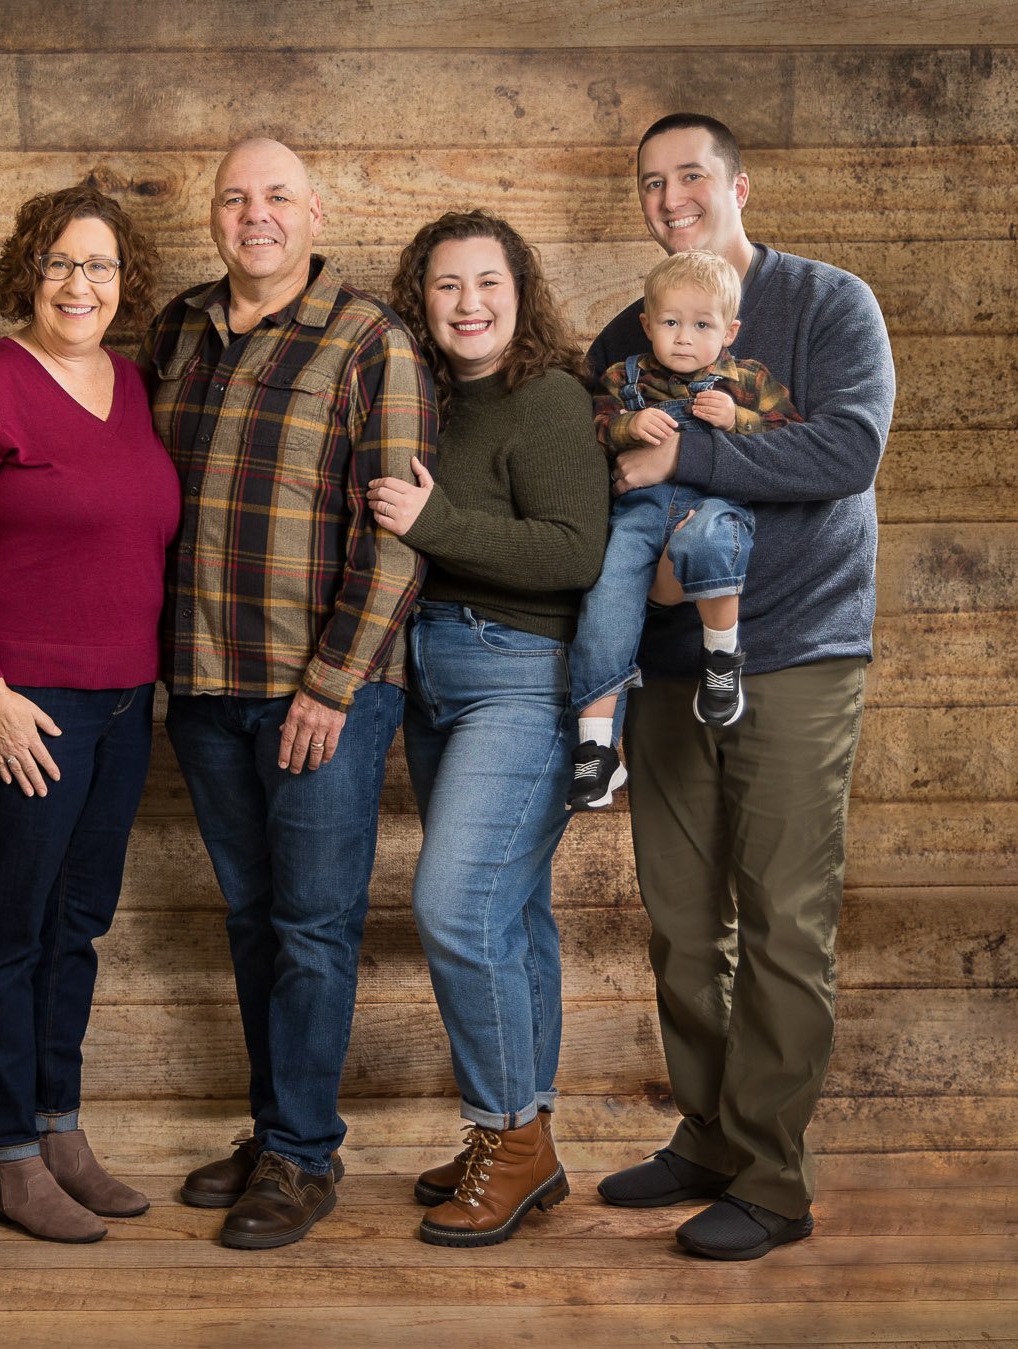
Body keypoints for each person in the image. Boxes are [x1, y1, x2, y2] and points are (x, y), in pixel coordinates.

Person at [587, 113, 894, 1260]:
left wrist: (687, 458)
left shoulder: (826, 304)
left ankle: (773, 1176)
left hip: (801, 648)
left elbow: (844, 452)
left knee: (780, 922)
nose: (672, 196)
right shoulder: (628, 333)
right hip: (673, 661)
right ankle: (709, 1132)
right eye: (652, 182)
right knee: (677, 923)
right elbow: (609, 475)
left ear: (739, 186)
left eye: (692, 175)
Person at [144, 137, 437, 1250]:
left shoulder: (371, 340)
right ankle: (276, 1127)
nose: (253, 216)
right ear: (212, 217)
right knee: (255, 919)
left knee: (313, 926)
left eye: (275, 197)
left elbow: (397, 539)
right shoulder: (176, 329)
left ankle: (305, 1157)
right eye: (233, 198)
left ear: (314, 214)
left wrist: (333, 680)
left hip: (321, 691)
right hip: (206, 683)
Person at [0, 185, 178, 1243]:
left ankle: (60, 1128)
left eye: (100, 265)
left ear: (125, 283)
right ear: (29, 272)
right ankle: (8, 1153)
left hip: (124, 701)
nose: (80, 283)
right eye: (61, 263)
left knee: (79, 924)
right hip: (25, 702)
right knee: (12, 929)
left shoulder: (135, 383)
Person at [366, 211, 609, 1247]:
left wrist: (434, 528)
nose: (468, 305)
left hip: (521, 676)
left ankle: (505, 1134)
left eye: (488, 284)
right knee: (510, 917)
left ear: (521, 292)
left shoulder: (545, 397)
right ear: (420, 300)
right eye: (446, 287)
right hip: (433, 676)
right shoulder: (420, 401)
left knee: (455, 905)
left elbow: (573, 552)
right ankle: (527, 1136)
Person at [565, 249, 801, 809]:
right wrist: (626, 425)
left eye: (702, 325)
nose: (684, 338)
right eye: (670, 323)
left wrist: (737, 420)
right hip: (639, 517)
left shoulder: (749, 379)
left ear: (729, 331)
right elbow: (592, 430)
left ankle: (721, 656)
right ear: (647, 324)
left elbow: (790, 439)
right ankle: (596, 751)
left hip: (716, 507)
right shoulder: (625, 376)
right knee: (604, 604)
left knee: (710, 540)